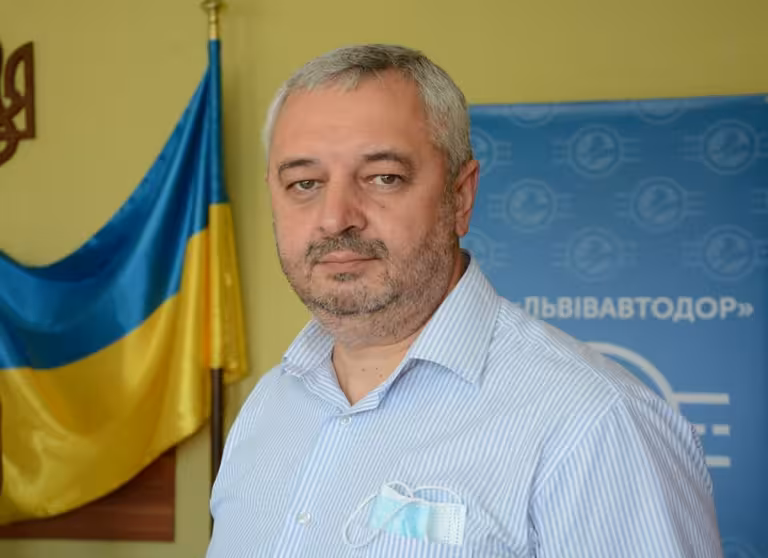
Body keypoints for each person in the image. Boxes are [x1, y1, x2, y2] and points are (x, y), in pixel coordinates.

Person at [206, 44, 722, 557]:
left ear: (461, 196)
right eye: (304, 183)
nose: (336, 217)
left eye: (384, 177)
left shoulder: (596, 422)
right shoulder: (269, 405)